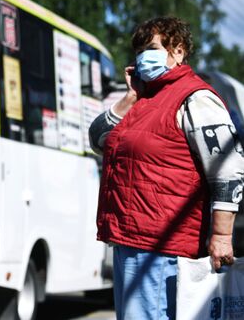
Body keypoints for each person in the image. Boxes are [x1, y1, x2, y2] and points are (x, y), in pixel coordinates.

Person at [89, 16, 244, 319]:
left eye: (151, 48)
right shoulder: (145, 100)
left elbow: (228, 167)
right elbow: (99, 140)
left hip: (163, 247)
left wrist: (222, 235)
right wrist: (130, 97)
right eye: (139, 51)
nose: (142, 57)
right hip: (131, 241)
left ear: (178, 51)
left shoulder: (195, 98)